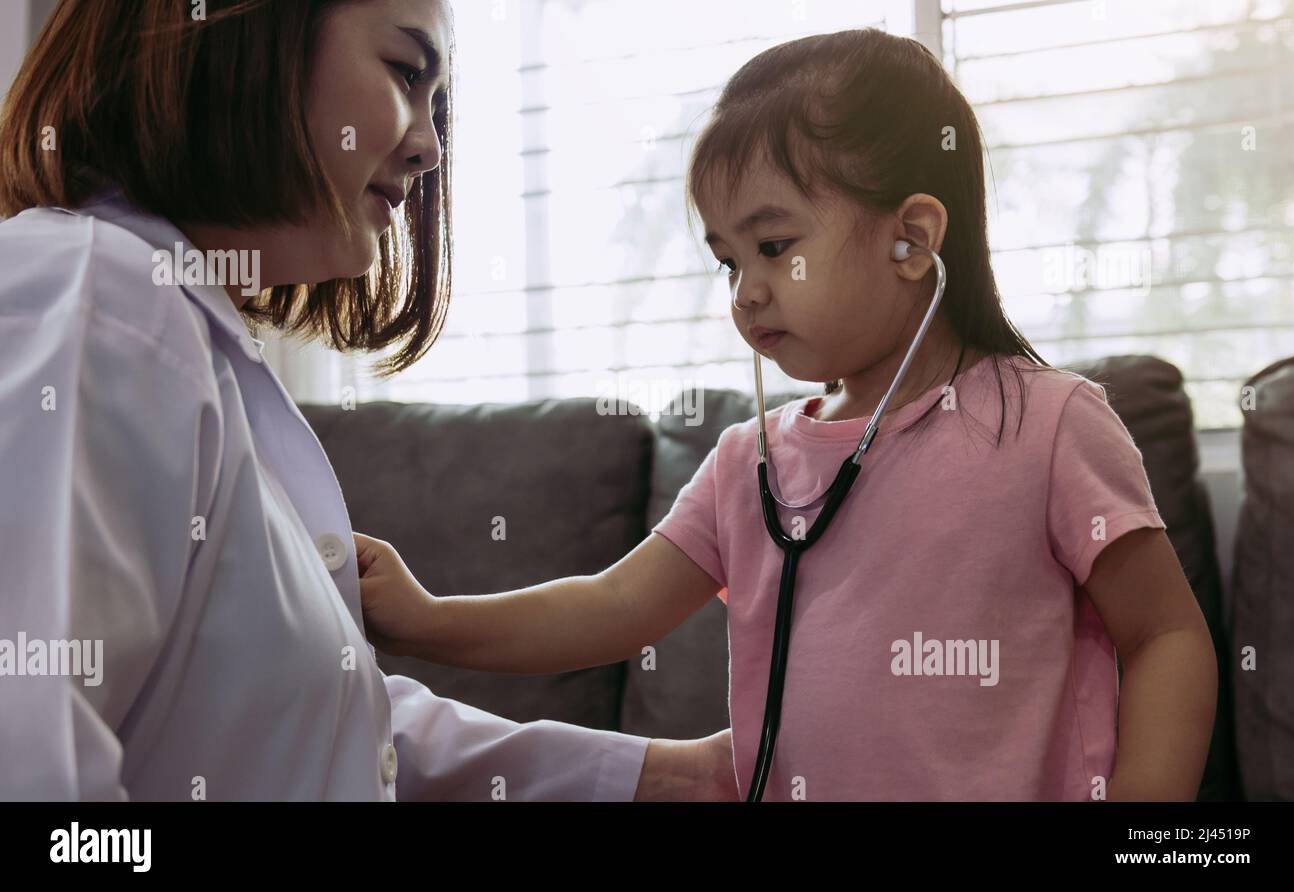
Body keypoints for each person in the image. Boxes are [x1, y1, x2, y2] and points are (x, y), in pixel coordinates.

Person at [354, 29, 1219, 801]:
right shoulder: (749, 463)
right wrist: (428, 620)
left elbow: (1167, 635)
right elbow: (611, 607)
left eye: (773, 247)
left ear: (912, 240)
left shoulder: (1052, 425)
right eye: (726, 260)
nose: (745, 291)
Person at [0, 0, 733, 801]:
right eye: (405, 72)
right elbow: (32, 758)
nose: (428, 147)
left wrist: (672, 778)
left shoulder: (176, 335)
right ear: (243, 36)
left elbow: (331, 728)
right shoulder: (96, 297)